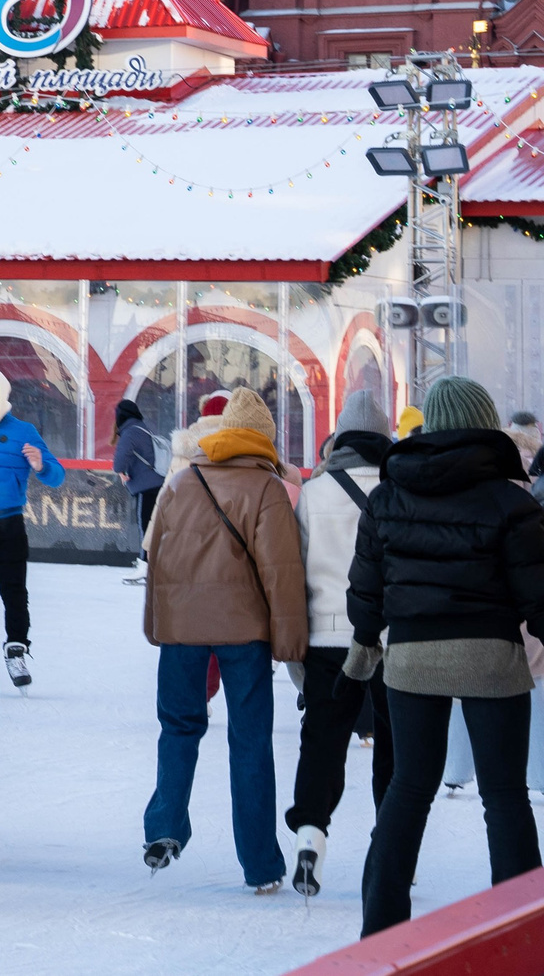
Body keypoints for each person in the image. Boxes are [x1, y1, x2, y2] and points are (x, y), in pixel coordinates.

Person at [348, 375, 544, 936]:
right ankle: (521, 930)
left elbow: (366, 585)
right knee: (505, 796)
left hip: (411, 657)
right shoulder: (512, 500)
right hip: (491, 657)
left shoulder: (386, 495)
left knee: (408, 788)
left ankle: (380, 930)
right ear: (486, 424)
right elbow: (537, 592)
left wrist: (364, 642)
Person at [140, 387, 305, 893]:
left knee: (178, 728)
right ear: (264, 439)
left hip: (182, 632)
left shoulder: (182, 481)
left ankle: (165, 827)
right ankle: (260, 866)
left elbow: (157, 558)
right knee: (251, 743)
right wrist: (290, 640)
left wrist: (156, 624)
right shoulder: (267, 487)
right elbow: (281, 571)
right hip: (244, 634)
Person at [285, 389, 394, 897]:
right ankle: (395, 850)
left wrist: (298, 654)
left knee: (323, 742)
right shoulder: (399, 491)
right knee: (394, 745)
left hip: (329, 636)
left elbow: (299, 571)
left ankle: (310, 838)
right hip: (392, 636)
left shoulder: (316, 491)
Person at [0, 364, 65, 688]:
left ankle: (16, 649)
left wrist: (40, 464)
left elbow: (56, 475)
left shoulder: (23, 431)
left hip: (7, 526)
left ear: (1, 393)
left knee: (14, 594)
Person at [112, 398, 166, 579]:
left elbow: (119, 461)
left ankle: (145, 566)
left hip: (147, 486)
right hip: (160, 482)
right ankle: (153, 564)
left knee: (145, 526)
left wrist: (120, 472)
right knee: (155, 525)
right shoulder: (144, 427)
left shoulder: (130, 433)